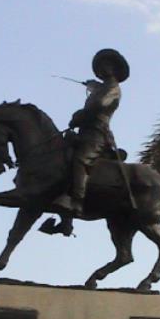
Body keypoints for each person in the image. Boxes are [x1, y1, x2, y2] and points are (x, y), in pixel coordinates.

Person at [66, 49, 128, 218]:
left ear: (115, 68)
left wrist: (80, 115)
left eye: (107, 65)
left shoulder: (113, 88)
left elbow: (100, 105)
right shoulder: (101, 87)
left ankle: (77, 202)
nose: (103, 68)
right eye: (101, 66)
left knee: (81, 160)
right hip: (85, 131)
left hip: (97, 134)